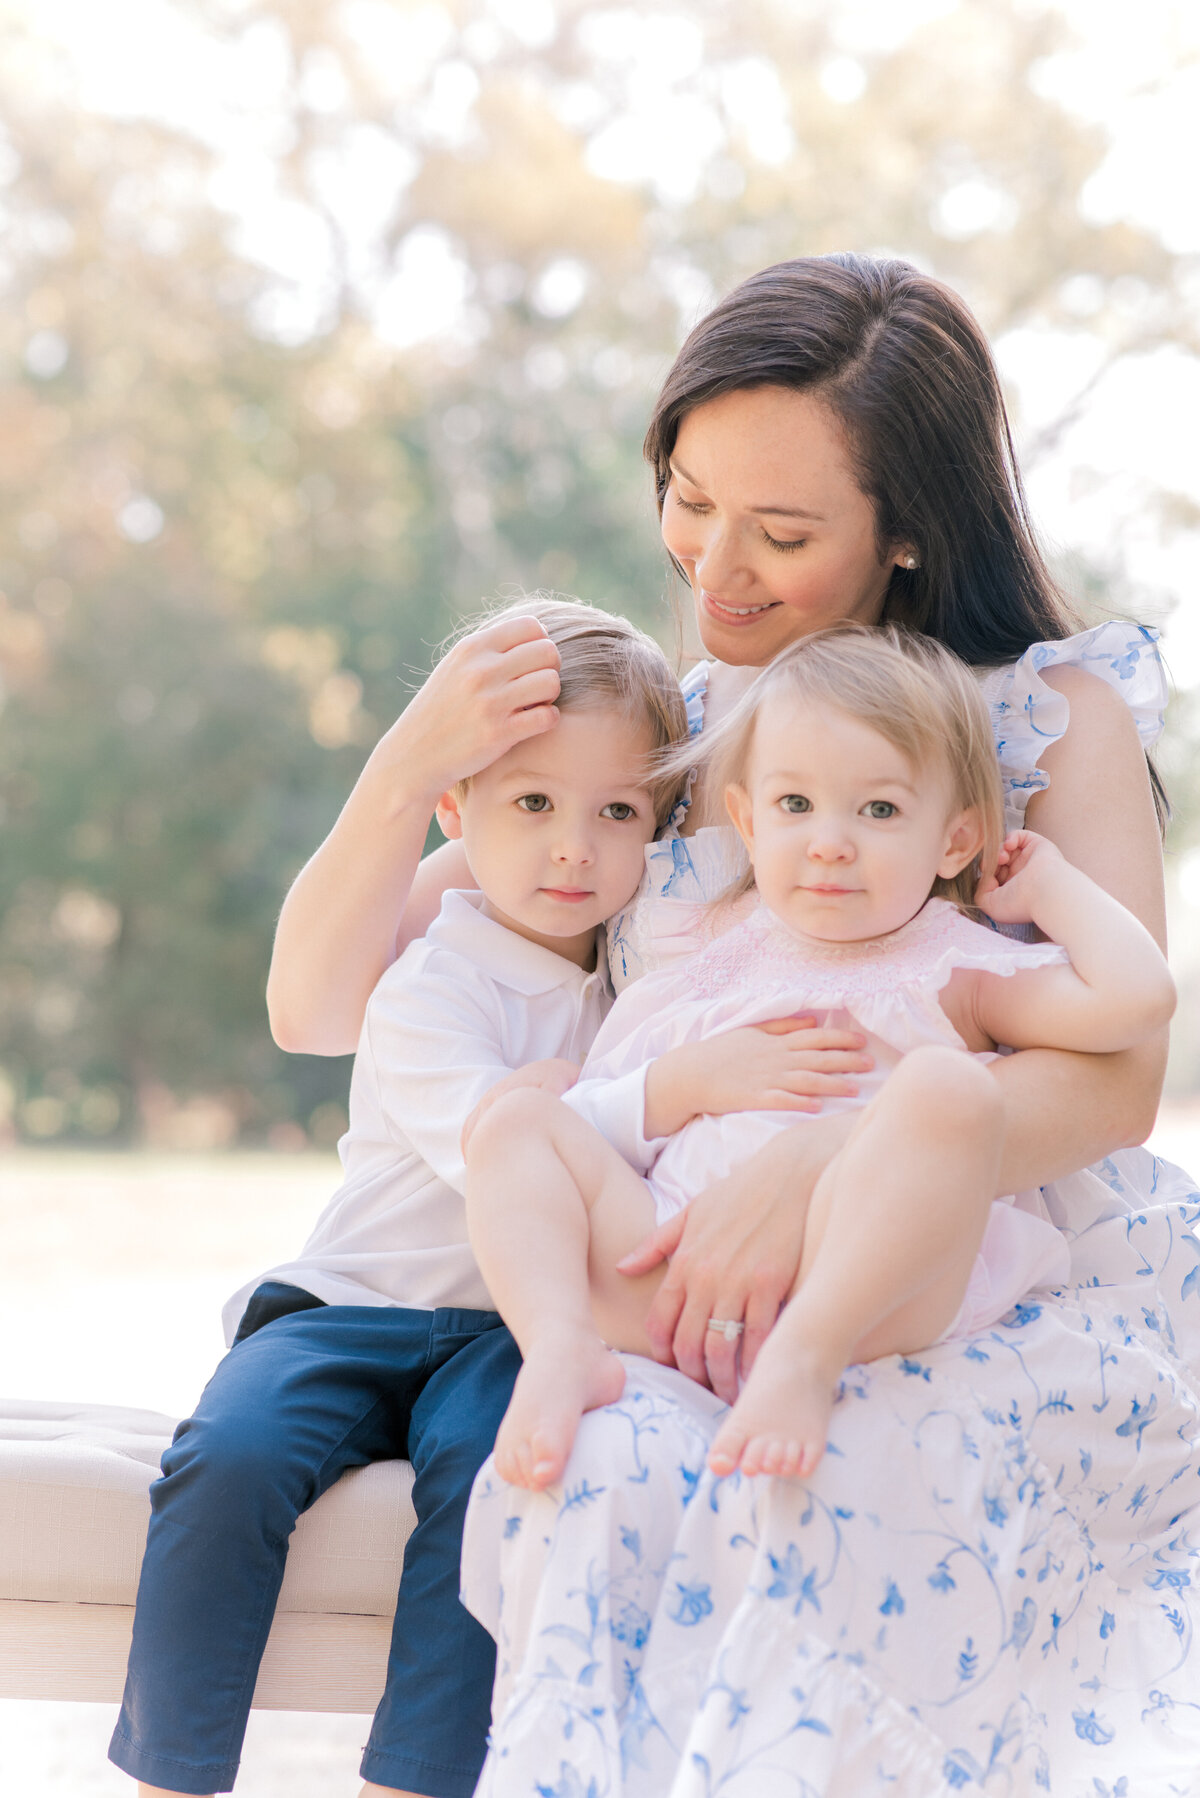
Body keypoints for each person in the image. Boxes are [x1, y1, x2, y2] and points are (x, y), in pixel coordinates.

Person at [266, 255, 1200, 1790]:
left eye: (781, 533)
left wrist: (825, 1166)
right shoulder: (669, 729)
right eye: (688, 499)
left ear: (906, 531)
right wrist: (403, 765)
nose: (714, 567)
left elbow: (1117, 1079)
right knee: (602, 1464)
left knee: (860, 1477)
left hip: (963, 1248)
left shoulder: (1047, 713)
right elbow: (317, 1009)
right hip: (678, 1248)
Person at [107, 596, 692, 1798]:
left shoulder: (641, 994)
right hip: (348, 1307)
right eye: (532, 803)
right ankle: (171, 1771)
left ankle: (414, 1779)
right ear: (455, 812)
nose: (573, 847)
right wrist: (562, 1105)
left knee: (500, 1481)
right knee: (230, 1453)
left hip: (502, 1331)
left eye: (617, 812)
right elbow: (502, 1153)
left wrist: (562, 1095)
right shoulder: (433, 975)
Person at [463, 625, 1175, 1493]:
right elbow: (604, 1129)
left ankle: (803, 1360)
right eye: (796, 807)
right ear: (748, 823)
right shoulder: (710, 957)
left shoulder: (952, 965)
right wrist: (669, 1089)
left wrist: (1052, 885)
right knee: (511, 1121)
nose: (830, 842)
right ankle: (559, 1345)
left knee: (950, 1089)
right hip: (669, 1277)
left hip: (867, 1290)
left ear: (954, 842)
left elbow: (1138, 1004)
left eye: (878, 810)